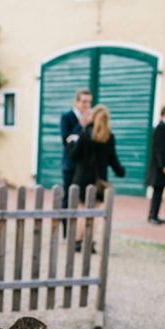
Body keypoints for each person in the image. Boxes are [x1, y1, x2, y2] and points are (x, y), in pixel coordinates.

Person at [69, 104, 125, 252]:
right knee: (94, 214)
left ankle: (77, 241)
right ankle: (90, 242)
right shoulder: (109, 137)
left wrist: (71, 143)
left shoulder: (85, 134)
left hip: (81, 180)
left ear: (93, 117)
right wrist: (121, 171)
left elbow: (74, 156)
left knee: (81, 212)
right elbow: (114, 161)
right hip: (98, 182)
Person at [60, 89, 93, 234]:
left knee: (84, 199)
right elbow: (65, 139)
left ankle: (81, 232)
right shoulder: (66, 117)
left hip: (86, 167)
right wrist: (80, 124)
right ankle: (67, 231)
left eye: (89, 102)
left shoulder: (92, 117)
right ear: (76, 102)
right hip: (70, 165)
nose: (86, 105)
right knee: (68, 197)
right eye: (84, 101)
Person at [145, 105, 165, 224]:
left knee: (159, 192)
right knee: (157, 192)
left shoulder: (164, 127)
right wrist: (164, 166)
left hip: (160, 167)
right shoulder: (160, 128)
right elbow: (158, 150)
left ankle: (154, 215)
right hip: (159, 168)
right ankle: (152, 216)